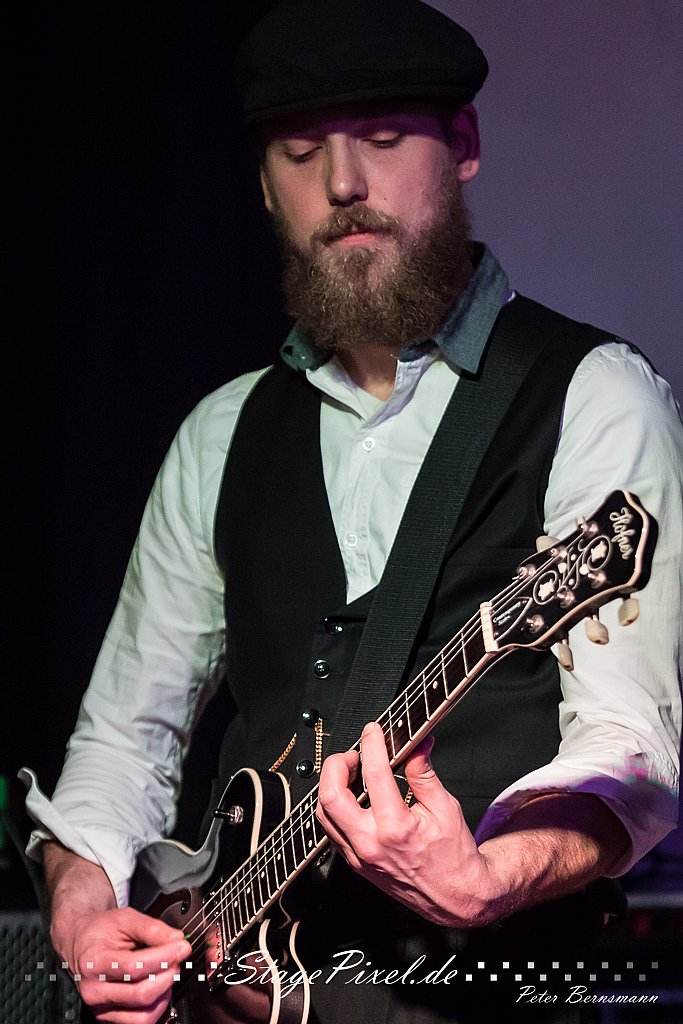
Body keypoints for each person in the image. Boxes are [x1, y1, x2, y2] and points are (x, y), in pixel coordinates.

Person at [21, 1, 682, 1022]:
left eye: (380, 138)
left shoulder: (591, 394)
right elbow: (125, 737)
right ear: (263, 184)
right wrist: (81, 903)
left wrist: (488, 877)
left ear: (462, 145)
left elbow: (631, 748)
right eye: (299, 153)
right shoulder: (221, 431)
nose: (341, 184)